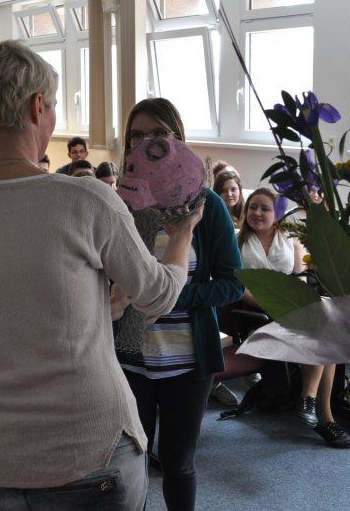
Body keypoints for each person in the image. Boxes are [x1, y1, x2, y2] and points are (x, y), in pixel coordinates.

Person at [0, 40, 199, 510]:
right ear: (37, 106)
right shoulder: (85, 198)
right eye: (52, 106)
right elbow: (158, 296)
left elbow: (10, 301)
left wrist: (101, 303)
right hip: (86, 447)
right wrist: (183, 234)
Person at [115, 97, 243, 511]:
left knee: (178, 464)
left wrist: (168, 295)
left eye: (157, 134)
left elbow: (231, 285)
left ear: (177, 140)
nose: (145, 143)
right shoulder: (117, 204)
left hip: (186, 362)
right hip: (126, 358)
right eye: (137, 135)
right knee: (126, 464)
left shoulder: (207, 206)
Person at [238, 188, 350, 449]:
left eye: (264, 208)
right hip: (259, 314)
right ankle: (323, 417)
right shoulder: (238, 241)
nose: (257, 213)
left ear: (276, 215)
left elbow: (303, 280)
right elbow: (239, 287)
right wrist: (274, 304)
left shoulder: (290, 238)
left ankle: (311, 401)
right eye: (253, 207)